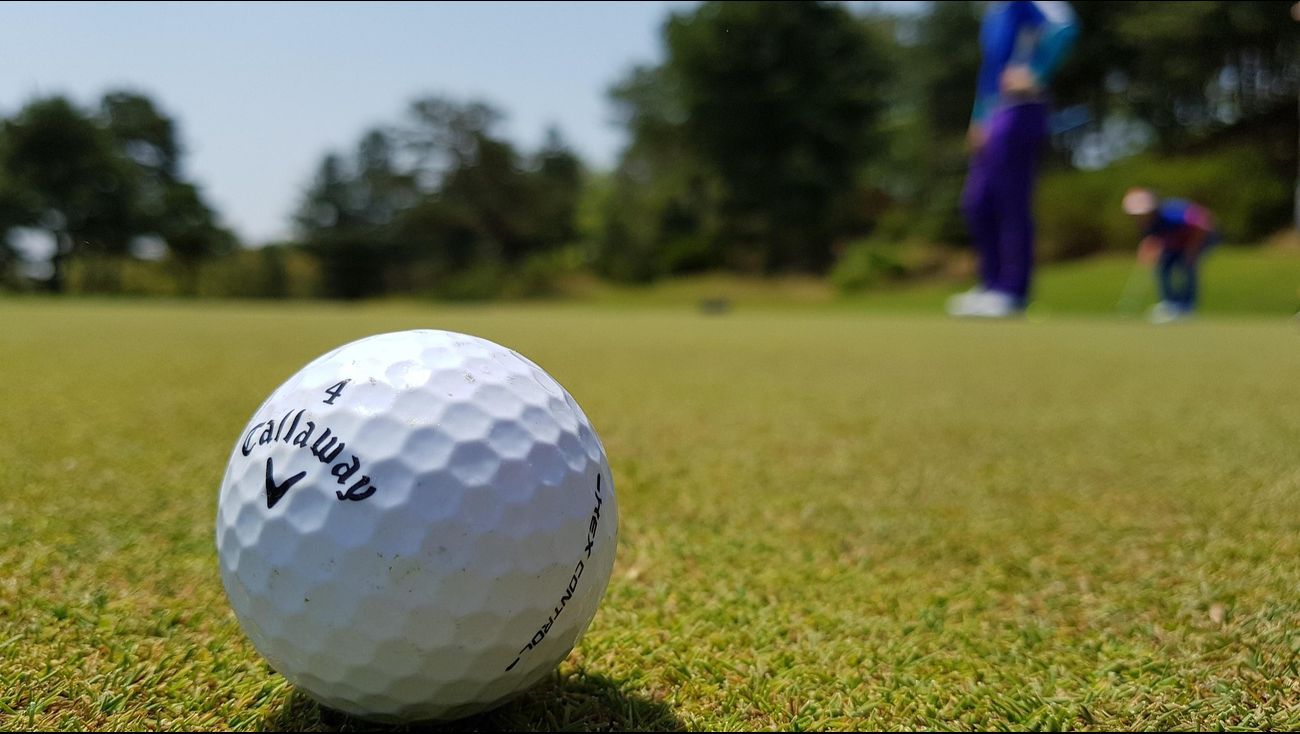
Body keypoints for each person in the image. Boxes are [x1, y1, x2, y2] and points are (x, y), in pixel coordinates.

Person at [948, 1, 1079, 319]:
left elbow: (1066, 27)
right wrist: (978, 117)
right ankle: (991, 286)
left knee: (1011, 202)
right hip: (993, 114)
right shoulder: (995, 12)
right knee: (977, 202)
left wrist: (1036, 72)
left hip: (1022, 108)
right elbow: (990, 70)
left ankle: (1012, 291)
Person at [1121, 187, 1220, 323]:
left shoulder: (1171, 213)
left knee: (1188, 268)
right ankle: (1169, 305)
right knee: (1163, 267)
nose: (1139, 217)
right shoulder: (1144, 222)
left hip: (1200, 238)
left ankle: (1187, 308)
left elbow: (1201, 225)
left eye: (1142, 213)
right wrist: (1148, 248)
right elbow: (1154, 237)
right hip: (1176, 242)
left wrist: (1191, 250)